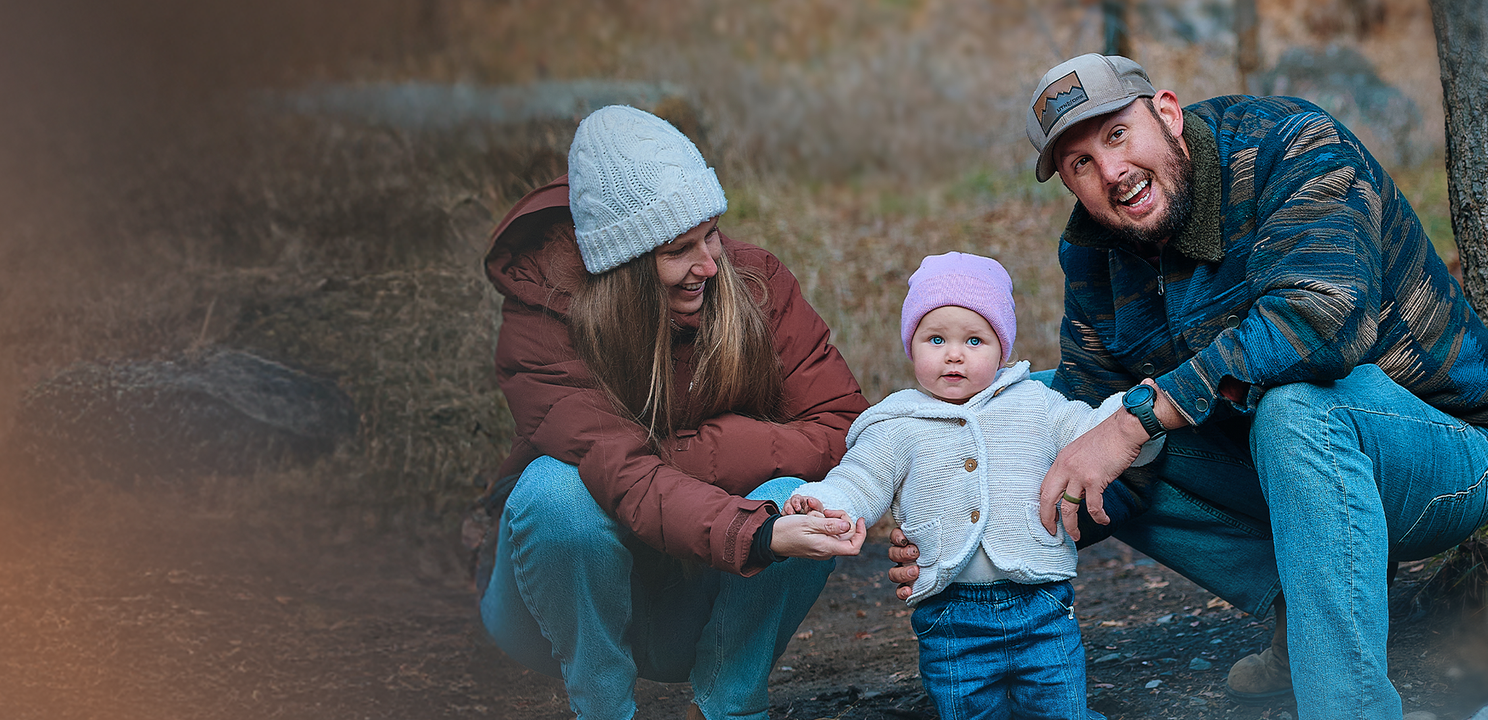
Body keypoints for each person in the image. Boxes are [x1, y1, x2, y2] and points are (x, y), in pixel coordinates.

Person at [890, 53, 1488, 719]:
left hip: (1442, 453)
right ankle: (1306, 617)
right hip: (1283, 468)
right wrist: (960, 533)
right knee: (1055, 416)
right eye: (1079, 163)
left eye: (1117, 134)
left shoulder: (1291, 144)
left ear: (1167, 113)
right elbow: (1087, 433)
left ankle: (1349, 709)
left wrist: (1138, 417)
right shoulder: (1092, 250)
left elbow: (1322, 318)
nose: (1110, 172)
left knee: (1287, 410)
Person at [476, 104, 871, 720]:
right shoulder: (543, 319)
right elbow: (623, 474)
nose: (711, 265)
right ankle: (602, 707)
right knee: (557, 492)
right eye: (679, 250)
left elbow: (847, 426)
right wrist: (754, 522)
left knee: (805, 492)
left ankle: (729, 705)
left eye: (712, 233)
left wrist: (700, 459)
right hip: (559, 600)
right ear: (625, 266)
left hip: (700, 589)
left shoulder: (754, 281)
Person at [786, 252, 1155, 720]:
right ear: (911, 345)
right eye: (935, 338)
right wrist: (828, 502)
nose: (954, 354)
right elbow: (861, 479)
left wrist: (1131, 417)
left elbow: (1091, 432)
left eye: (975, 340)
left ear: (1002, 349)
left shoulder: (1036, 405)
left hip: (1040, 600)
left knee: (1059, 706)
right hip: (950, 613)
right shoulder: (899, 422)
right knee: (967, 709)